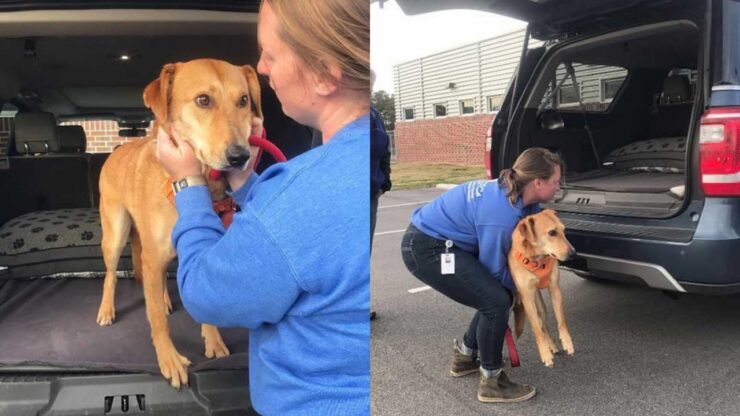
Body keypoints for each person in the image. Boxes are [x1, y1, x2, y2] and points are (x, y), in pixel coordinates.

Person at [154, 0, 370, 415]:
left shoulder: (302, 196)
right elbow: (303, 240)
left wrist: (187, 183)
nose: (261, 69)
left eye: (269, 54)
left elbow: (204, 293)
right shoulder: (366, 159)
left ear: (325, 73)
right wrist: (243, 181)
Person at [400, 148, 563, 403]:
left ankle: (466, 356)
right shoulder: (501, 213)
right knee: (496, 300)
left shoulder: (526, 202)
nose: (558, 187)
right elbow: (494, 268)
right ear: (538, 182)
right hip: (426, 249)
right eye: (556, 182)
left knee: (494, 295)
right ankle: (492, 381)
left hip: (444, 243)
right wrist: (521, 288)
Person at [369, 104, 392, 321]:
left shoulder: (375, 114)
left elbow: (385, 150)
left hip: (369, 195)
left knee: (363, 252)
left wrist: (385, 182)